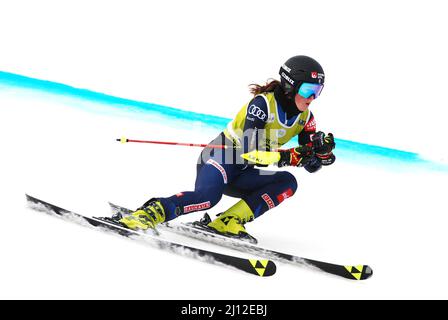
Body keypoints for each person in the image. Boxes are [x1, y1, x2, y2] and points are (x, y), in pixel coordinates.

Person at [119, 55, 336, 242]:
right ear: (290, 86)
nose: (312, 98)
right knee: (207, 198)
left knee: (288, 182)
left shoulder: (306, 118)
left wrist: (320, 154)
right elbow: (251, 151)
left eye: (318, 91)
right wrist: (290, 157)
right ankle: (149, 213)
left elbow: (310, 165)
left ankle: (227, 221)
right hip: (222, 157)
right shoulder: (262, 105)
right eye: (308, 90)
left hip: (244, 173)